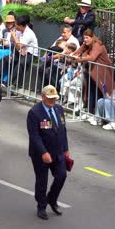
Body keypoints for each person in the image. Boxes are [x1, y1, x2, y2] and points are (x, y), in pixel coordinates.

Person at [27, 85, 70, 220]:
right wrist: (44, 152)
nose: (53, 101)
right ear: (43, 96)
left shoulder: (59, 109)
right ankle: (41, 206)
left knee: (61, 175)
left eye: (54, 98)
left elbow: (63, 130)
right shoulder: (35, 112)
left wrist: (66, 149)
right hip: (41, 154)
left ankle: (52, 198)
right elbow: (34, 136)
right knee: (42, 181)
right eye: (50, 98)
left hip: (58, 151)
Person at [72, 29, 113, 122]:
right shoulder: (87, 45)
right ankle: (89, 112)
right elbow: (77, 52)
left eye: (87, 38)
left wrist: (80, 59)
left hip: (101, 73)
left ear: (92, 37)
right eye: (84, 38)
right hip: (91, 72)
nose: (85, 40)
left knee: (97, 93)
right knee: (90, 92)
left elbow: (92, 57)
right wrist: (76, 52)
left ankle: (96, 115)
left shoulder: (97, 45)